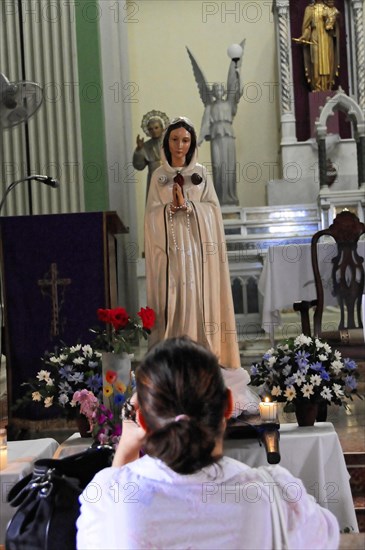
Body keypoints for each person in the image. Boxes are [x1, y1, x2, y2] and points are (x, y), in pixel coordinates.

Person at [77, 337, 340, 550]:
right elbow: (325, 538)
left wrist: (127, 444)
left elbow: (112, 505)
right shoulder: (277, 495)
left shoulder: (105, 496)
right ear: (227, 405)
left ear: (143, 421)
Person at [187, 43, 245, 205]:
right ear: (212, 92)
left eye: (221, 88)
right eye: (216, 89)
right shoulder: (210, 107)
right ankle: (220, 198)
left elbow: (238, 91)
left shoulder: (230, 104)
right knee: (219, 167)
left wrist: (237, 71)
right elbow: (205, 124)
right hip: (216, 138)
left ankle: (230, 198)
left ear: (224, 91)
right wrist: (197, 141)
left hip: (228, 137)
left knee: (229, 168)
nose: (219, 91)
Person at [295, 0, 340, 92]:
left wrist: (330, 21)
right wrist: (304, 36)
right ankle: (317, 86)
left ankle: (328, 86)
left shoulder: (330, 9)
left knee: (328, 61)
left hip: (327, 38)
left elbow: (335, 26)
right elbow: (307, 27)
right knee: (316, 63)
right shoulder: (309, 9)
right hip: (315, 38)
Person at [132, 110, 169, 200]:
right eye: (151, 129)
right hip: (154, 179)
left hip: (169, 177)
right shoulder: (146, 146)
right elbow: (139, 166)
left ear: (162, 128)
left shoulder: (170, 143)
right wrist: (139, 150)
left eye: (156, 127)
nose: (154, 131)